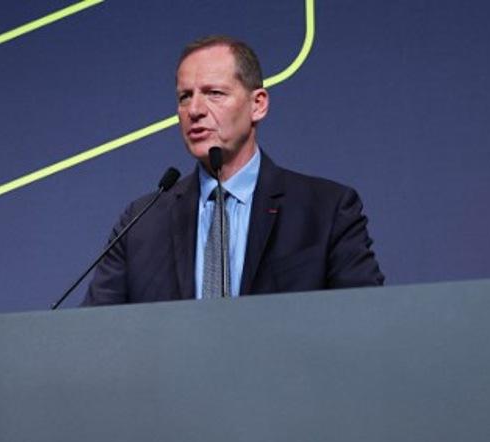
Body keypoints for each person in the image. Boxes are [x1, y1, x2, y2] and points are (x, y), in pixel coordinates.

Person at [82, 36, 383, 305]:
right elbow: (94, 335)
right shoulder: (142, 223)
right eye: (185, 96)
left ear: (258, 105)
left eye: (214, 93)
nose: (195, 110)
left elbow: (366, 321)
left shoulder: (326, 210)